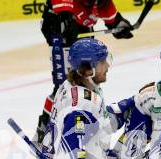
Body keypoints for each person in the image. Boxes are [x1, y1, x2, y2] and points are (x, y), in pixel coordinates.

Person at [34, 0, 134, 146]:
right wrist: (65, 16)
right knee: (63, 85)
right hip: (57, 24)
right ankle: (44, 133)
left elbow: (103, 4)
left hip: (81, 25)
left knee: (88, 79)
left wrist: (116, 22)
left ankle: (83, 128)